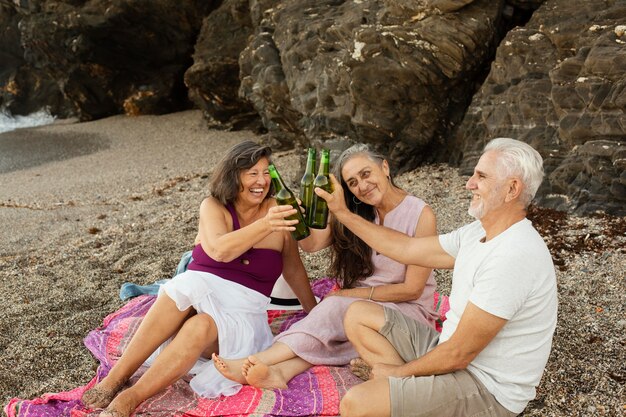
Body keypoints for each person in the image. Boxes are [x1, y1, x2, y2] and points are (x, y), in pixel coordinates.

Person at [317, 138, 557, 417]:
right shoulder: (476, 233)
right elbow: (406, 248)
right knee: (358, 314)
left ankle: (403, 390)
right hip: (449, 352)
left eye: (481, 176)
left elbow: (459, 354)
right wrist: (342, 213)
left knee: (357, 404)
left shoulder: (514, 255)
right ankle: (410, 396)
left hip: (486, 387)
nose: (469, 183)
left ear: (512, 189)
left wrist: (397, 374)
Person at [81, 141, 317, 417]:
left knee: (200, 323)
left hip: (240, 314)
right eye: (252, 173)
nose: (262, 181)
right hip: (196, 292)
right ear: (233, 175)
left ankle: (132, 397)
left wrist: (314, 313)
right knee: (181, 288)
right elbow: (219, 250)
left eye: (266, 173)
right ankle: (115, 379)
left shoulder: (280, 210)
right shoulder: (214, 207)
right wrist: (266, 224)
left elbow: (294, 270)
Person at [213, 143, 439, 390]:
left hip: (408, 312)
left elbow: (412, 290)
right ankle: (281, 371)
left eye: (366, 174)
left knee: (334, 309)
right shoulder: (356, 212)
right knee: (338, 331)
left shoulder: (420, 214)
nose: (362, 186)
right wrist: (297, 218)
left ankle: (256, 359)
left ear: (384, 167)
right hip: (364, 309)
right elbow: (311, 245)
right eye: (352, 182)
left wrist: (347, 295)